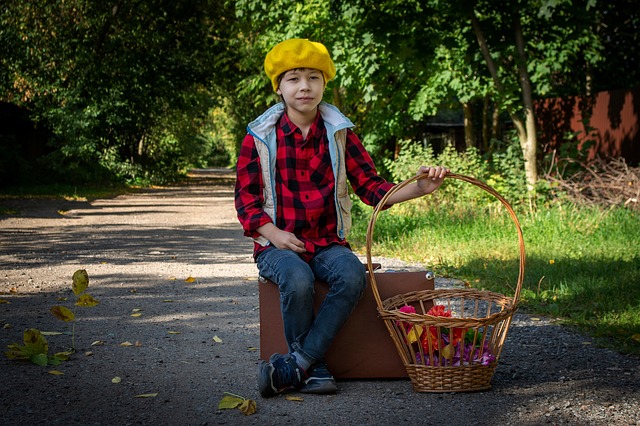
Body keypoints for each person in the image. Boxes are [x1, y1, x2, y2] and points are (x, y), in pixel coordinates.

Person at [234, 38, 448, 397]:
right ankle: (314, 366)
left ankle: (298, 363)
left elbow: (371, 186)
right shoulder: (259, 138)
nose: (305, 87)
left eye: (314, 78)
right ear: (279, 87)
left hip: (328, 242)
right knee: (298, 278)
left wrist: (418, 188)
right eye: (294, 79)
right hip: (277, 245)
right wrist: (273, 233)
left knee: (351, 275)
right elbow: (246, 201)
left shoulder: (339, 134)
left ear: (324, 83)